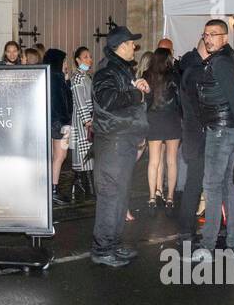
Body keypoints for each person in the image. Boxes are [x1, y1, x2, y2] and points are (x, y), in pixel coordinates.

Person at [191, 19, 234, 262]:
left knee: (211, 186)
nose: (208, 38)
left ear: (225, 38)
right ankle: (233, 242)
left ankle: (207, 246)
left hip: (220, 130)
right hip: (227, 129)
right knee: (226, 185)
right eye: (205, 34)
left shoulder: (220, 62)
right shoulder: (230, 58)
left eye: (214, 34)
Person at [89, 26, 149, 267]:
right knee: (111, 195)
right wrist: (136, 93)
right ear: (121, 46)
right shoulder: (107, 70)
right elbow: (109, 99)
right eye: (131, 43)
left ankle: (112, 243)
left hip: (123, 138)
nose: (134, 47)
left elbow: (125, 97)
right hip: (113, 140)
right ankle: (102, 249)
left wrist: (139, 86)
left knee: (121, 194)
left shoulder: (121, 69)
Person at [174, 35, 210, 256]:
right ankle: (187, 231)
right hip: (197, 134)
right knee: (195, 184)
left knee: (194, 184)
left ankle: (187, 230)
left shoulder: (186, 68)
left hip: (191, 133)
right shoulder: (196, 72)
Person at [142, 47, 181, 211]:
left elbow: (145, 100)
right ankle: (170, 197)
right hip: (171, 119)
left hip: (154, 119)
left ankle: (152, 196)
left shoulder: (147, 75)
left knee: (153, 161)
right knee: (171, 161)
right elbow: (180, 99)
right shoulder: (174, 75)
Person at [43, 49, 73, 205]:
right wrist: (66, 124)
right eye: (64, 61)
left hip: (51, 123)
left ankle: (50, 189)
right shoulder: (56, 78)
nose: (66, 64)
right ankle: (53, 190)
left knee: (53, 157)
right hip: (60, 124)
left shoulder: (48, 76)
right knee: (60, 156)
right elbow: (64, 103)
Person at [69, 46, 95, 199]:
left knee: (88, 155)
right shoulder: (77, 77)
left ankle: (81, 186)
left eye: (90, 56)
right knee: (84, 155)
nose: (89, 59)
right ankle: (87, 188)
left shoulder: (86, 76)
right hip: (82, 119)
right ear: (78, 60)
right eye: (85, 57)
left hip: (89, 118)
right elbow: (80, 102)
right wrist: (87, 122)